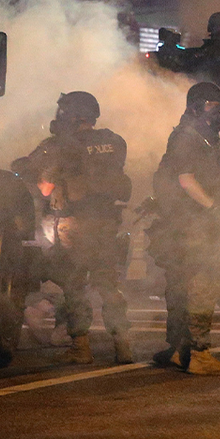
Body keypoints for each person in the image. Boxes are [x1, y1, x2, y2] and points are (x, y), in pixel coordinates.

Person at [150, 82, 220, 375]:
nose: (219, 112)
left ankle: (201, 350)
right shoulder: (189, 139)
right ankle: (194, 352)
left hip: (209, 227)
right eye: (213, 106)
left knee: (211, 285)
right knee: (202, 287)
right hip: (196, 226)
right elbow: (186, 181)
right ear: (196, 107)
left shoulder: (211, 142)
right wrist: (215, 209)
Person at [15, 91, 133, 364]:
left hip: (74, 225)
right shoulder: (114, 142)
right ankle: (123, 344)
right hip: (106, 225)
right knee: (109, 286)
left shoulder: (60, 146)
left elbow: (45, 188)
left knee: (75, 287)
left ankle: (81, 347)